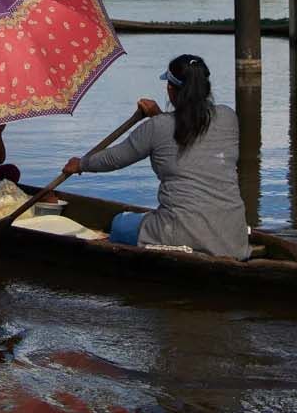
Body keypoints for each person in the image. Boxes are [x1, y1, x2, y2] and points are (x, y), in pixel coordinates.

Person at [61, 55, 250, 260]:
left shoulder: (157, 127)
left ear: (170, 89)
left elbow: (114, 159)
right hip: (234, 236)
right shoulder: (229, 117)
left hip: (179, 232)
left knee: (119, 224)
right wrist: (158, 116)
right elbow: (183, 136)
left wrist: (80, 164)